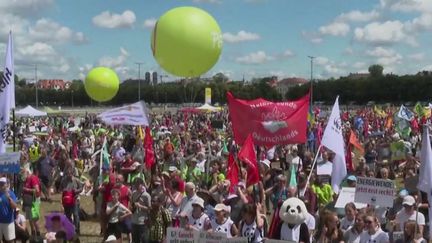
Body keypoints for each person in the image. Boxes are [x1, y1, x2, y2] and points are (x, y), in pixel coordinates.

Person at [59, 167, 83, 234]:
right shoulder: (64, 180)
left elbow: (81, 188)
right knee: (67, 215)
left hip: (75, 199)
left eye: (70, 174)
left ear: (73, 174)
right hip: (66, 200)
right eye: (67, 174)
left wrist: (77, 191)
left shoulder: (76, 180)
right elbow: (60, 189)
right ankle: (69, 229)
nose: (69, 175)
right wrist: (63, 190)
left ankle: (77, 229)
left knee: (75, 215)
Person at [130, 178, 151, 243]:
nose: (136, 186)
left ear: (142, 185)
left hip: (142, 221)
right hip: (134, 220)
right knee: (135, 240)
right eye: (135, 185)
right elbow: (131, 204)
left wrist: (140, 206)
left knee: (144, 239)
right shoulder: (133, 193)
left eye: (137, 184)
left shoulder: (146, 195)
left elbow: (149, 208)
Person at [22, 169, 41, 237]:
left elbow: (37, 190)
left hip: (34, 201)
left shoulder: (33, 178)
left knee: (34, 218)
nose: (22, 175)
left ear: (27, 172)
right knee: (30, 218)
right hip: (27, 201)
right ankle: (33, 233)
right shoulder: (26, 179)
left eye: (23, 173)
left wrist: (27, 190)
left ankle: (38, 234)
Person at [0, 177, 18, 243]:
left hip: (8, 222)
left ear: (6, 184)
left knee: (10, 241)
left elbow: (14, 207)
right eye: (0, 183)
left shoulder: (11, 193)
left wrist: (9, 198)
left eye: (3, 183)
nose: (1, 184)